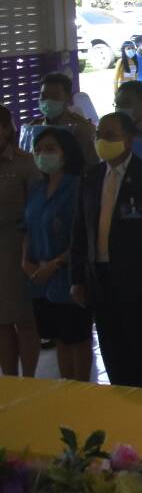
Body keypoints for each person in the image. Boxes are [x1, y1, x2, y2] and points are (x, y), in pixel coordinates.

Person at [70, 111, 142, 389]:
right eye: (98, 135)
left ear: (129, 140)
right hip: (100, 278)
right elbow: (80, 231)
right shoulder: (91, 176)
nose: (102, 141)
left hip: (137, 279)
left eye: (110, 135)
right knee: (114, 351)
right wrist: (77, 278)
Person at [22, 127, 92, 380]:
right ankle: (67, 387)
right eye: (38, 150)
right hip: (41, 280)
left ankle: (81, 390)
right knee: (60, 339)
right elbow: (27, 227)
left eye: (50, 149)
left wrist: (56, 263)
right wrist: (25, 260)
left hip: (68, 275)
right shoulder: (37, 189)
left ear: (65, 153)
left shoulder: (78, 186)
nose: (43, 154)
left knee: (77, 339)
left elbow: (83, 236)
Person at [0, 105, 40, 376]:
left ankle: (29, 380)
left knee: (24, 320)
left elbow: (37, 209)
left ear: (5, 129)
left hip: (17, 248)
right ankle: (10, 381)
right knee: (1, 323)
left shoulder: (25, 163)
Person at [27, 73, 98, 167]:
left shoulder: (83, 129)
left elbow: (93, 166)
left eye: (54, 96)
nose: (48, 100)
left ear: (68, 98)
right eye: (43, 96)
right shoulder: (32, 128)